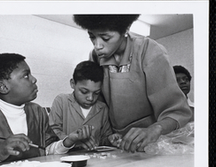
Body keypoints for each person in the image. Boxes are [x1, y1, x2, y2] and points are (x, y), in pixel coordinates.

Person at [73, 14, 192, 153]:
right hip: (118, 144)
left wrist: (154, 130)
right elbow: (98, 107)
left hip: (154, 142)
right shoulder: (95, 57)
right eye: (92, 36)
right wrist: (96, 133)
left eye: (105, 38)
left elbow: (176, 111)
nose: (97, 45)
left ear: (125, 30)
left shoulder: (149, 50)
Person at [49, 61, 112, 152]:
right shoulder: (62, 101)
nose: (90, 98)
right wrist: (73, 141)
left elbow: (103, 138)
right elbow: (52, 133)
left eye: (96, 93)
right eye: (84, 92)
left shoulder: (102, 108)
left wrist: (110, 139)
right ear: (73, 83)